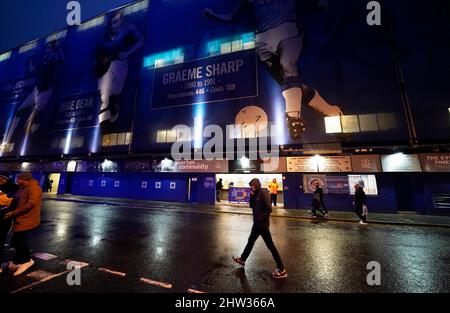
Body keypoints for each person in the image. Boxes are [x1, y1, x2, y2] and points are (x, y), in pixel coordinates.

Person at [203, 0, 342, 139]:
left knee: (287, 66)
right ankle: (330, 111)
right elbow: (231, 16)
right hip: (263, 42)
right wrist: (213, 14)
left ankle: (293, 117)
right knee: (290, 85)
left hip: (288, 33)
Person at [2, 40, 65, 146]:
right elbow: (32, 70)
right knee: (19, 112)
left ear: (53, 50)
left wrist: (58, 47)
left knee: (34, 120)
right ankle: (6, 140)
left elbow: (63, 59)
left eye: (49, 48)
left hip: (45, 92)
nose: (47, 50)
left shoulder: (54, 59)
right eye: (47, 48)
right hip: (36, 90)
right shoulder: (43, 62)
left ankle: (35, 139)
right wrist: (30, 59)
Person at [95, 10, 144, 135]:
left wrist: (127, 53)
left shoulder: (129, 28)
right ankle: (104, 128)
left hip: (120, 64)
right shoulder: (105, 35)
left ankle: (112, 124)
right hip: (105, 65)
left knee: (115, 95)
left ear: (121, 20)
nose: (113, 25)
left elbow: (140, 41)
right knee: (104, 97)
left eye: (116, 22)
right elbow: (98, 50)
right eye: (111, 23)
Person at [233, 178, 287, 279]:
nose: (251, 188)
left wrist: (260, 218)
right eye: (250, 186)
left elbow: (269, 209)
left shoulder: (263, 192)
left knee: (270, 246)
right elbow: (251, 206)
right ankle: (242, 260)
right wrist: (252, 196)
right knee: (251, 241)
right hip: (257, 224)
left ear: (256, 184)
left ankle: (282, 269)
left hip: (262, 225)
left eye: (252, 186)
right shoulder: (256, 193)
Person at [3, 172, 42, 276]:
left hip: (28, 219)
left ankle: (26, 260)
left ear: (25, 179)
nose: (17, 181)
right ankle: (19, 259)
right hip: (21, 219)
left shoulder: (34, 188)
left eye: (19, 179)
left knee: (19, 240)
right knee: (16, 241)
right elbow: (15, 198)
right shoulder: (22, 187)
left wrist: (14, 212)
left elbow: (31, 203)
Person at [0, 173, 19, 274]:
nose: (0, 180)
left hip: (5, 219)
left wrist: (10, 205)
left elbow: (19, 203)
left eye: (2, 178)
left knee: (1, 240)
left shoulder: (14, 188)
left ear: (7, 178)